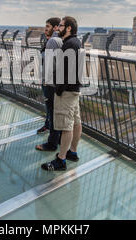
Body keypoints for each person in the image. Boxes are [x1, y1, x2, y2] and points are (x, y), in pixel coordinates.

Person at [42, 16, 82, 171]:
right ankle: (72, 152)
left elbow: (65, 70)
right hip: (74, 90)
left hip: (66, 92)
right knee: (76, 122)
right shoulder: (76, 43)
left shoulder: (69, 45)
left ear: (69, 28)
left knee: (66, 126)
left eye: (60, 26)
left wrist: (59, 89)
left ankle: (61, 160)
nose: (57, 28)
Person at [35, 18, 63, 152]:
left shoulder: (54, 42)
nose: (45, 28)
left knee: (53, 112)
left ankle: (52, 143)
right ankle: (52, 133)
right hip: (49, 81)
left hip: (50, 83)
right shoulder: (51, 41)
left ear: (56, 27)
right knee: (51, 111)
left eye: (48, 26)